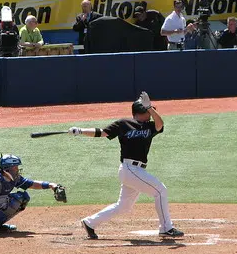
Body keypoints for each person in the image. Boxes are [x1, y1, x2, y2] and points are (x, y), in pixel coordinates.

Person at [66, 92, 184, 240]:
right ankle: (166, 228)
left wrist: (150, 108)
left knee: (123, 207)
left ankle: (90, 223)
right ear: (139, 112)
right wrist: (80, 131)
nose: (150, 114)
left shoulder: (150, 126)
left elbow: (160, 125)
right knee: (160, 190)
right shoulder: (123, 124)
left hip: (137, 171)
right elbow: (102, 132)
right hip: (129, 169)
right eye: (147, 111)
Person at [0, 154, 65, 236]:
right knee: (12, 200)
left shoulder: (14, 178)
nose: (17, 170)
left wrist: (51, 185)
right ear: (7, 169)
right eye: (15, 168)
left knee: (23, 198)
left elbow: (31, 183)